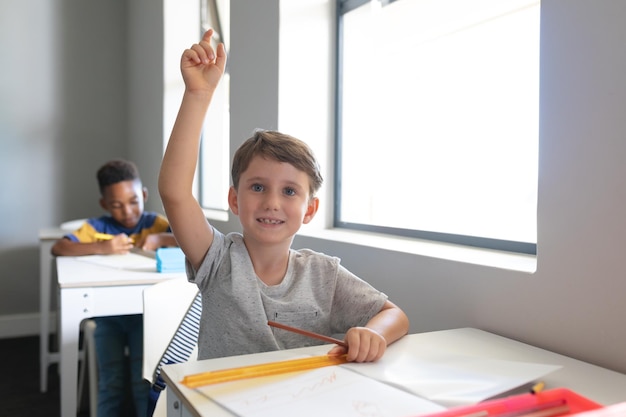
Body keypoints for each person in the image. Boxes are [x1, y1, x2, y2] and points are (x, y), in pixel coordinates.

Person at [158, 29, 409, 364]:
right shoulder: (217, 259)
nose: (272, 202)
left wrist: (374, 333)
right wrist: (198, 94)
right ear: (235, 200)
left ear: (310, 209)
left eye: (289, 191)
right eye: (258, 187)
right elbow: (174, 191)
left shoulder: (323, 275)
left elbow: (395, 315)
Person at [51, 159, 177, 417]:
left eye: (133, 201)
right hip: (107, 317)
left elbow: (189, 239)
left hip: (146, 316)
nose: (128, 211)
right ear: (105, 205)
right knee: (110, 379)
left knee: (143, 379)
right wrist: (101, 247)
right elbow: (59, 247)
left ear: (143, 195)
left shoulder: (156, 223)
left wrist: (161, 238)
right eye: (117, 205)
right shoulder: (98, 228)